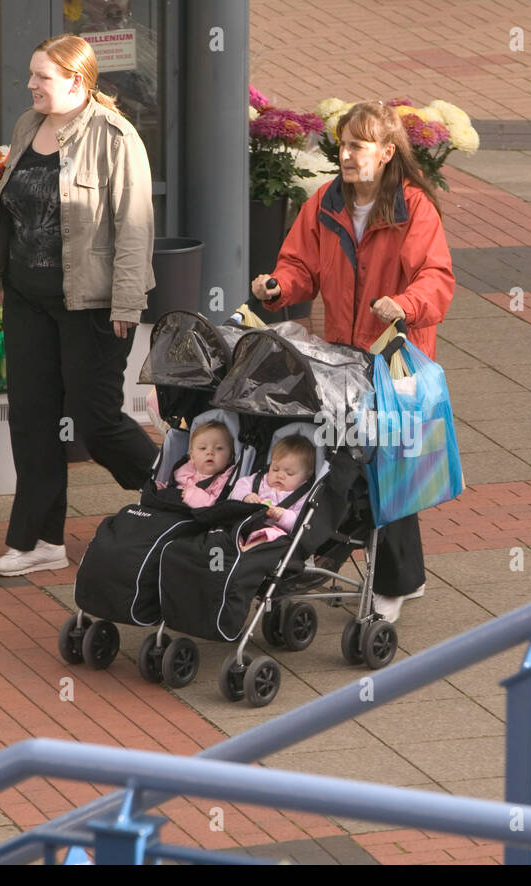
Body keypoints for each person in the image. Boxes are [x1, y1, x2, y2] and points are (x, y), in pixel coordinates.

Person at [251, 101, 455, 621]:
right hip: (342, 358)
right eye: (342, 144)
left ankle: (396, 582)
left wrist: (404, 304)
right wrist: (278, 287)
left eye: (358, 146)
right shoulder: (325, 201)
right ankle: (339, 549)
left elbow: (437, 280)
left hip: (396, 361)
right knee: (342, 453)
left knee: (391, 465)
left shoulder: (413, 208)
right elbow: (299, 265)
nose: (346, 154)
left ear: (387, 154)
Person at [0, 34, 157, 575]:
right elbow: (10, 209)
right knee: (31, 418)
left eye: (42, 77)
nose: (30, 85)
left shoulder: (115, 137)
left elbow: (135, 227)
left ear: (77, 81)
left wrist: (127, 301)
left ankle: (180, 490)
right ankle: (38, 542)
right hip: (28, 301)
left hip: (93, 305)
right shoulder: (29, 126)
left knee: (95, 420)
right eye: (32, 75)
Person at [229, 435, 316, 550]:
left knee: (274, 536)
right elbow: (240, 486)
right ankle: (236, 544)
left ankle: (248, 548)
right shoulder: (260, 480)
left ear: (306, 476)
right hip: (246, 524)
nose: (279, 475)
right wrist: (246, 496)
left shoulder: (303, 496)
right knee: (229, 525)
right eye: (275, 469)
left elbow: (300, 521)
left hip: (271, 533)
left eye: (289, 473)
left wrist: (282, 516)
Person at [156, 421, 235, 507]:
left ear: (230, 458)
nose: (210, 452)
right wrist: (162, 489)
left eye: (219, 448)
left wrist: (193, 496)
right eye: (203, 448)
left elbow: (217, 506)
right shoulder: (184, 471)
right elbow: (173, 487)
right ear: (192, 457)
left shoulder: (224, 480)